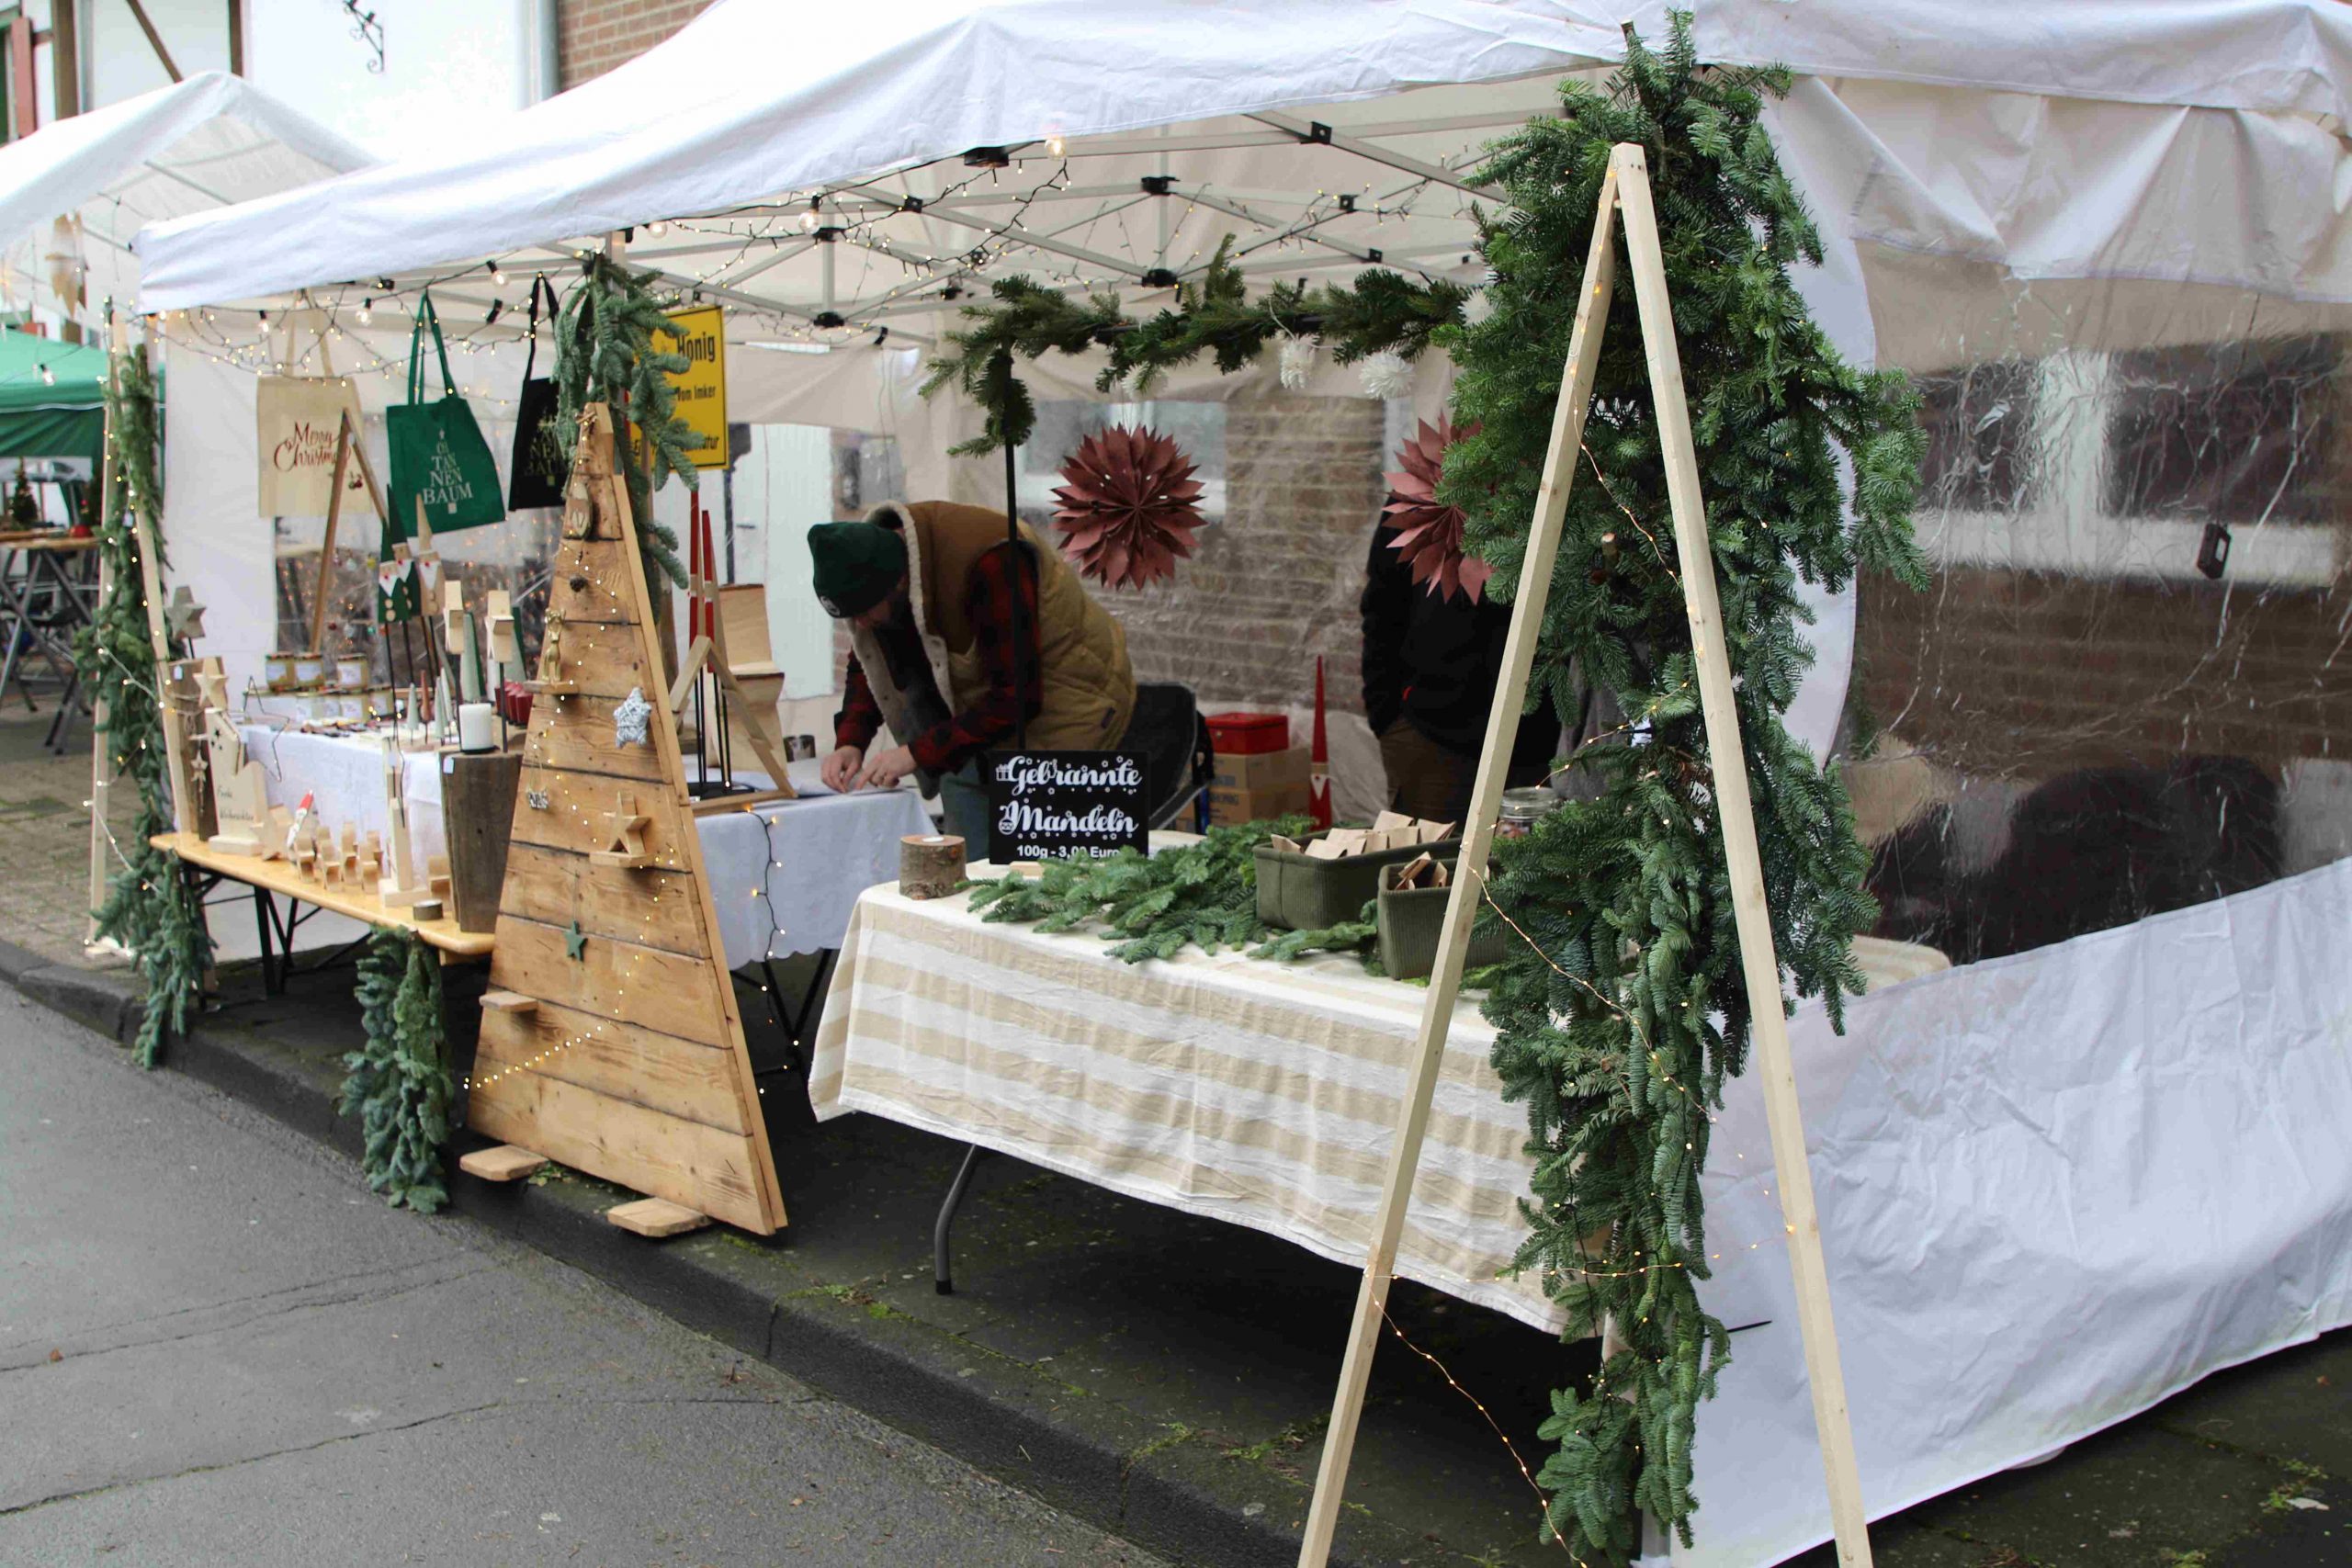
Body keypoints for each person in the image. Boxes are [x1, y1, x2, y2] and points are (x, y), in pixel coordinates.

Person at [811, 501, 1136, 852]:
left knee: (1056, 872)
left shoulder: (991, 562)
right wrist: (851, 740)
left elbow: (1018, 696)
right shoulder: (875, 575)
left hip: (1069, 712)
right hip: (973, 725)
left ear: (898, 582)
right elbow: (872, 658)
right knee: (966, 869)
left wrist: (917, 753)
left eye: (864, 612)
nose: (860, 624)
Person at [1360, 519, 1558, 826]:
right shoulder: (1420, 501)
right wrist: (1386, 716)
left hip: (1544, 738)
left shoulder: (1557, 499)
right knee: (1435, 855)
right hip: (1432, 737)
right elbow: (1383, 607)